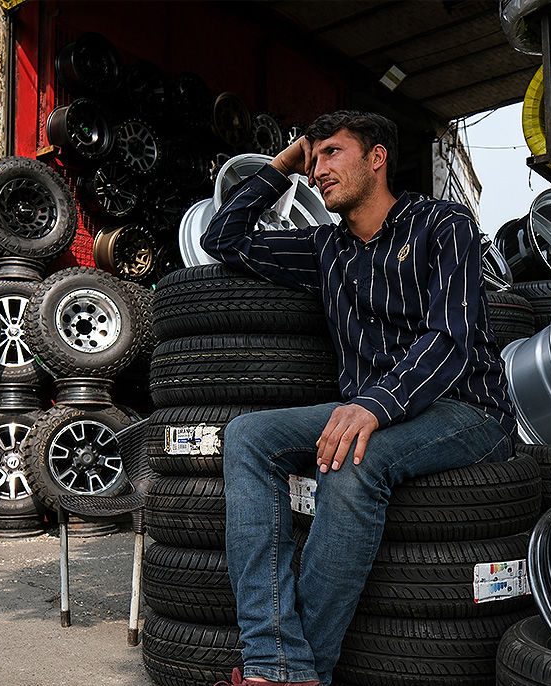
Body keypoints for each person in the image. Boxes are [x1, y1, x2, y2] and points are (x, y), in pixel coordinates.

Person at [200, 110, 515, 686]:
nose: (320, 169)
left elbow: (454, 337)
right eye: (314, 158)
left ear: (377, 158)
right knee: (249, 435)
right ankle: (275, 662)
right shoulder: (328, 248)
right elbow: (222, 238)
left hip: (467, 409)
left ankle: (295, 674)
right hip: (370, 408)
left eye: (333, 153)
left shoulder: (444, 224)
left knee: (349, 464)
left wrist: (373, 405)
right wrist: (284, 164)